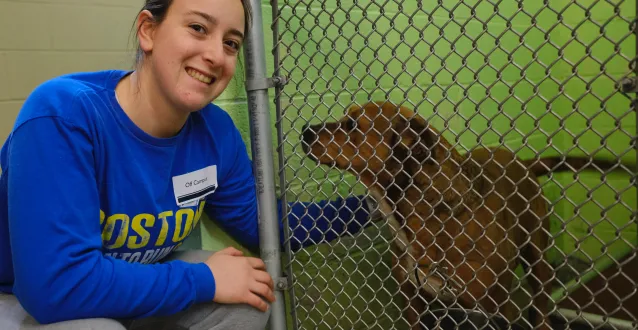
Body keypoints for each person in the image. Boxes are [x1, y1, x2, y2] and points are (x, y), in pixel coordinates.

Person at [0, 0, 376, 329]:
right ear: (148, 31)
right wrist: (204, 280)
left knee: (250, 295)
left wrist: (375, 206)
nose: (215, 55)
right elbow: (56, 285)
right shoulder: (63, 116)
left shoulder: (215, 132)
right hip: (25, 299)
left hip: (129, 282)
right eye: (198, 28)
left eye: (231, 43)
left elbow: (262, 223)